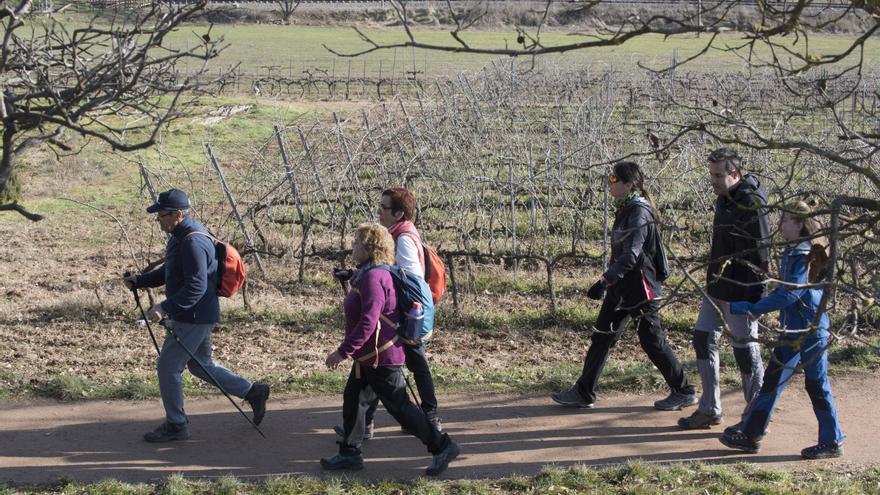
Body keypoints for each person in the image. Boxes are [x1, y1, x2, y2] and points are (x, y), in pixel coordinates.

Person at [122, 188, 269, 442]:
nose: (158, 219)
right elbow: (172, 271)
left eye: (163, 215)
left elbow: (196, 287)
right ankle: (253, 391)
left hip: (193, 316)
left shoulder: (192, 241)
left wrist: (164, 307)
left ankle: (176, 425)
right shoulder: (181, 236)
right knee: (201, 366)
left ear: (178, 214)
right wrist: (141, 280)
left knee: (168, 367)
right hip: (196, 314)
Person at [551, 161, 697, 410]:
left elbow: (631, 255)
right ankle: (584, 392)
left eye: (613, 179)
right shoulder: (627, 208)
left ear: (629, 184)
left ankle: (683, 390)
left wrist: (604, 280)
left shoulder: (638, 212)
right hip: (621, 287)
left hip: (641, 290)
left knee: (651, 339)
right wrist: (611, 282)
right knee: (602, 336)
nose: (609, 183)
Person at [321, 223, 460, 475]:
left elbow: (369, 320)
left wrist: (342, 352)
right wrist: (350, 279)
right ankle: (349, 453)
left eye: (357, 241)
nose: (352, 245)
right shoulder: (369, 273)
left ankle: (442, 446)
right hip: (370, 357)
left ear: (370, 247)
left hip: (380, 358)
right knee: (353, 400)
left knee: (402, 409)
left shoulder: (374, 277)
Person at [719, 201, 845, 459]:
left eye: (785, 220)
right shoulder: (795, 253)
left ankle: (832, 440)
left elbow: (790, 294)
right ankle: (751, 434)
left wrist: (754, 307)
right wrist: (757, 306)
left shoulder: (802, 255)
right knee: (773, 380)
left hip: (810, 333)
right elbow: (785, 291)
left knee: (816, 385)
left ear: (799, 225)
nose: (779, 225)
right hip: (793, 332)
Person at [334, 187, 442, 439]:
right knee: (378, 369)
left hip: (408, 314)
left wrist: (392, 309)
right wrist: (355, 276)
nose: (379, 211)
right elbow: (384, 274)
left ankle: (430, 417)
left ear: (399, 213)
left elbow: (403, 279)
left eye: (384, 207)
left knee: (411, 363)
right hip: (399, 312)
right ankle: (367, 423)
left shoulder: (403, 240)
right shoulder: (397, 233)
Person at [679, 148, 771, 430]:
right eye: (711, 175)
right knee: (702, 338)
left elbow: (762, 254)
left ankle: (756, 417)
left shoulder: (751, 203)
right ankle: (709, 408)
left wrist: (757, 301)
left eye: (718, 175)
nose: (713, 181)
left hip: (743, 292)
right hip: (717, 286)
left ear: (735, 174)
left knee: (745, 351)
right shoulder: (725, 198)